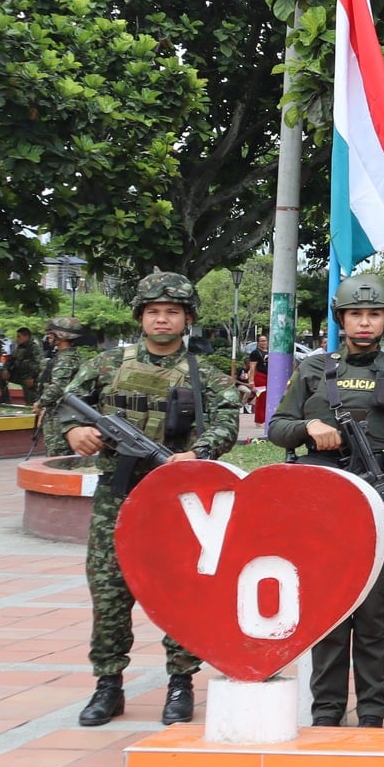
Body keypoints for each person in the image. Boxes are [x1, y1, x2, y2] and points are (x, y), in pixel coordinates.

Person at [53, 273, 241, 728]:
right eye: (154, 311)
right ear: (141, 316)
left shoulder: (207, 375)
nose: (162, 319)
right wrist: (74, 431)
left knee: (181, 591)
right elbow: (65, 402)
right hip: (116, 498)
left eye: (172, 312)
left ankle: (181, 684)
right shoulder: (106, 364)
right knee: (110, 591)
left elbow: (227, 421)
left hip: (178, 500)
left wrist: (196, 453)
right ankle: (108, 683)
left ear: (188, 319)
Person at [266, 274, 384, 728]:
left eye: (373, 314)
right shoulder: (315, 370)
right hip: (324, 507)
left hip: (382, 503)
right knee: (330, 611)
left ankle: (373, 712)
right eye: (356, 314)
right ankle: (326, 712)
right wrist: (307, 428)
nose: (364, 322)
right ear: (341, 318)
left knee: (374, 613)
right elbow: (276, 426)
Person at [34, 317, 90, 453]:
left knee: (57, 454)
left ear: (61, 336)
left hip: (58, 414)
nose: (48, 338)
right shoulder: (70, 357)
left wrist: (40, 403)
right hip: (64, 413)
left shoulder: (64, 360)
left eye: (51, 334)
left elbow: (58, 387)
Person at [4, 328, 43, 405]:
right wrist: (5, 369)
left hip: (30, 377)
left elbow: (39, 364)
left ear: (27, 337)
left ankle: (31, 402)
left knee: (31, 401)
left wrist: (32, 377)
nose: (17, 339)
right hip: (18, 373)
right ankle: (5, 397)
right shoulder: (18, 347)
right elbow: (10, 359)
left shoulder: (35, 347)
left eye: (19, 336)